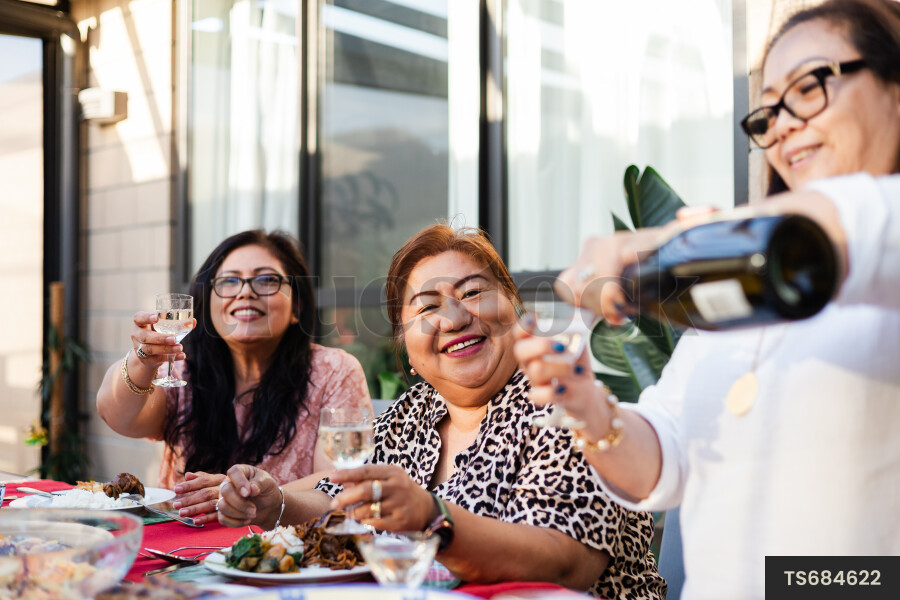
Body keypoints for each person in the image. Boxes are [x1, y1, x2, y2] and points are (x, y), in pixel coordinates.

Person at [514, 1, 900, 598]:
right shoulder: (738, 292)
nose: (783, 124)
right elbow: (664, 459)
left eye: (809, 88)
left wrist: (659, 243)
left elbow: (857, 221)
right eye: (769, 110)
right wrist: (590, 409)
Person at [217, 224, 666, 599]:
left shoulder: (565, 400)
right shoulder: (413, 411)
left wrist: (433, 518)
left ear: (515, 308)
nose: (453, 319)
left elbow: (566, 564)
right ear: (408, 350)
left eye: (473, 292)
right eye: (428, 306)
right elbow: (341, 494)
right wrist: (277, 503)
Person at [96, 230, 371, 524]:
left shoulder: (334, 370)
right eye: (229, 281)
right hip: (181, 544)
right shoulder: (183, 369)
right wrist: (142, 360)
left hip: (282, 547)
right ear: (207, 304)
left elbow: (340, 478)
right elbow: (118, 417)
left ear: (297, 306)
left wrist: (245, 496)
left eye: (266, 280)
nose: (245, 292)